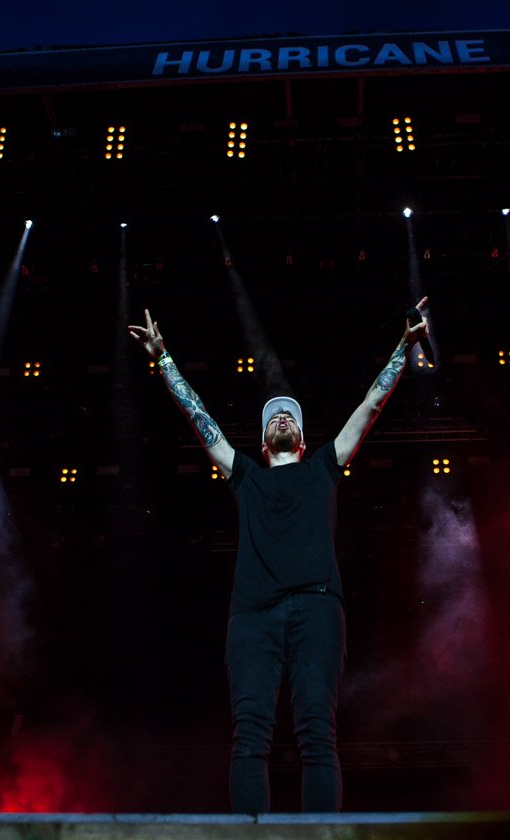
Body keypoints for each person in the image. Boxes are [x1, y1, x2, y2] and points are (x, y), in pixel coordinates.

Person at [128, 298, 430, 813]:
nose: (283, 416)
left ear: (303, 438)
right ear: (266, 443)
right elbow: (198, 418)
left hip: (316, 608)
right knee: (250, 734)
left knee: (317, 729)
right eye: (274, 416)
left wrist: (402, 348)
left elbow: (369, 406)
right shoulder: (245, 475)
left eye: (290, 414)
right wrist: (163, 359)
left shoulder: (324, 468)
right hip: (252, 615)